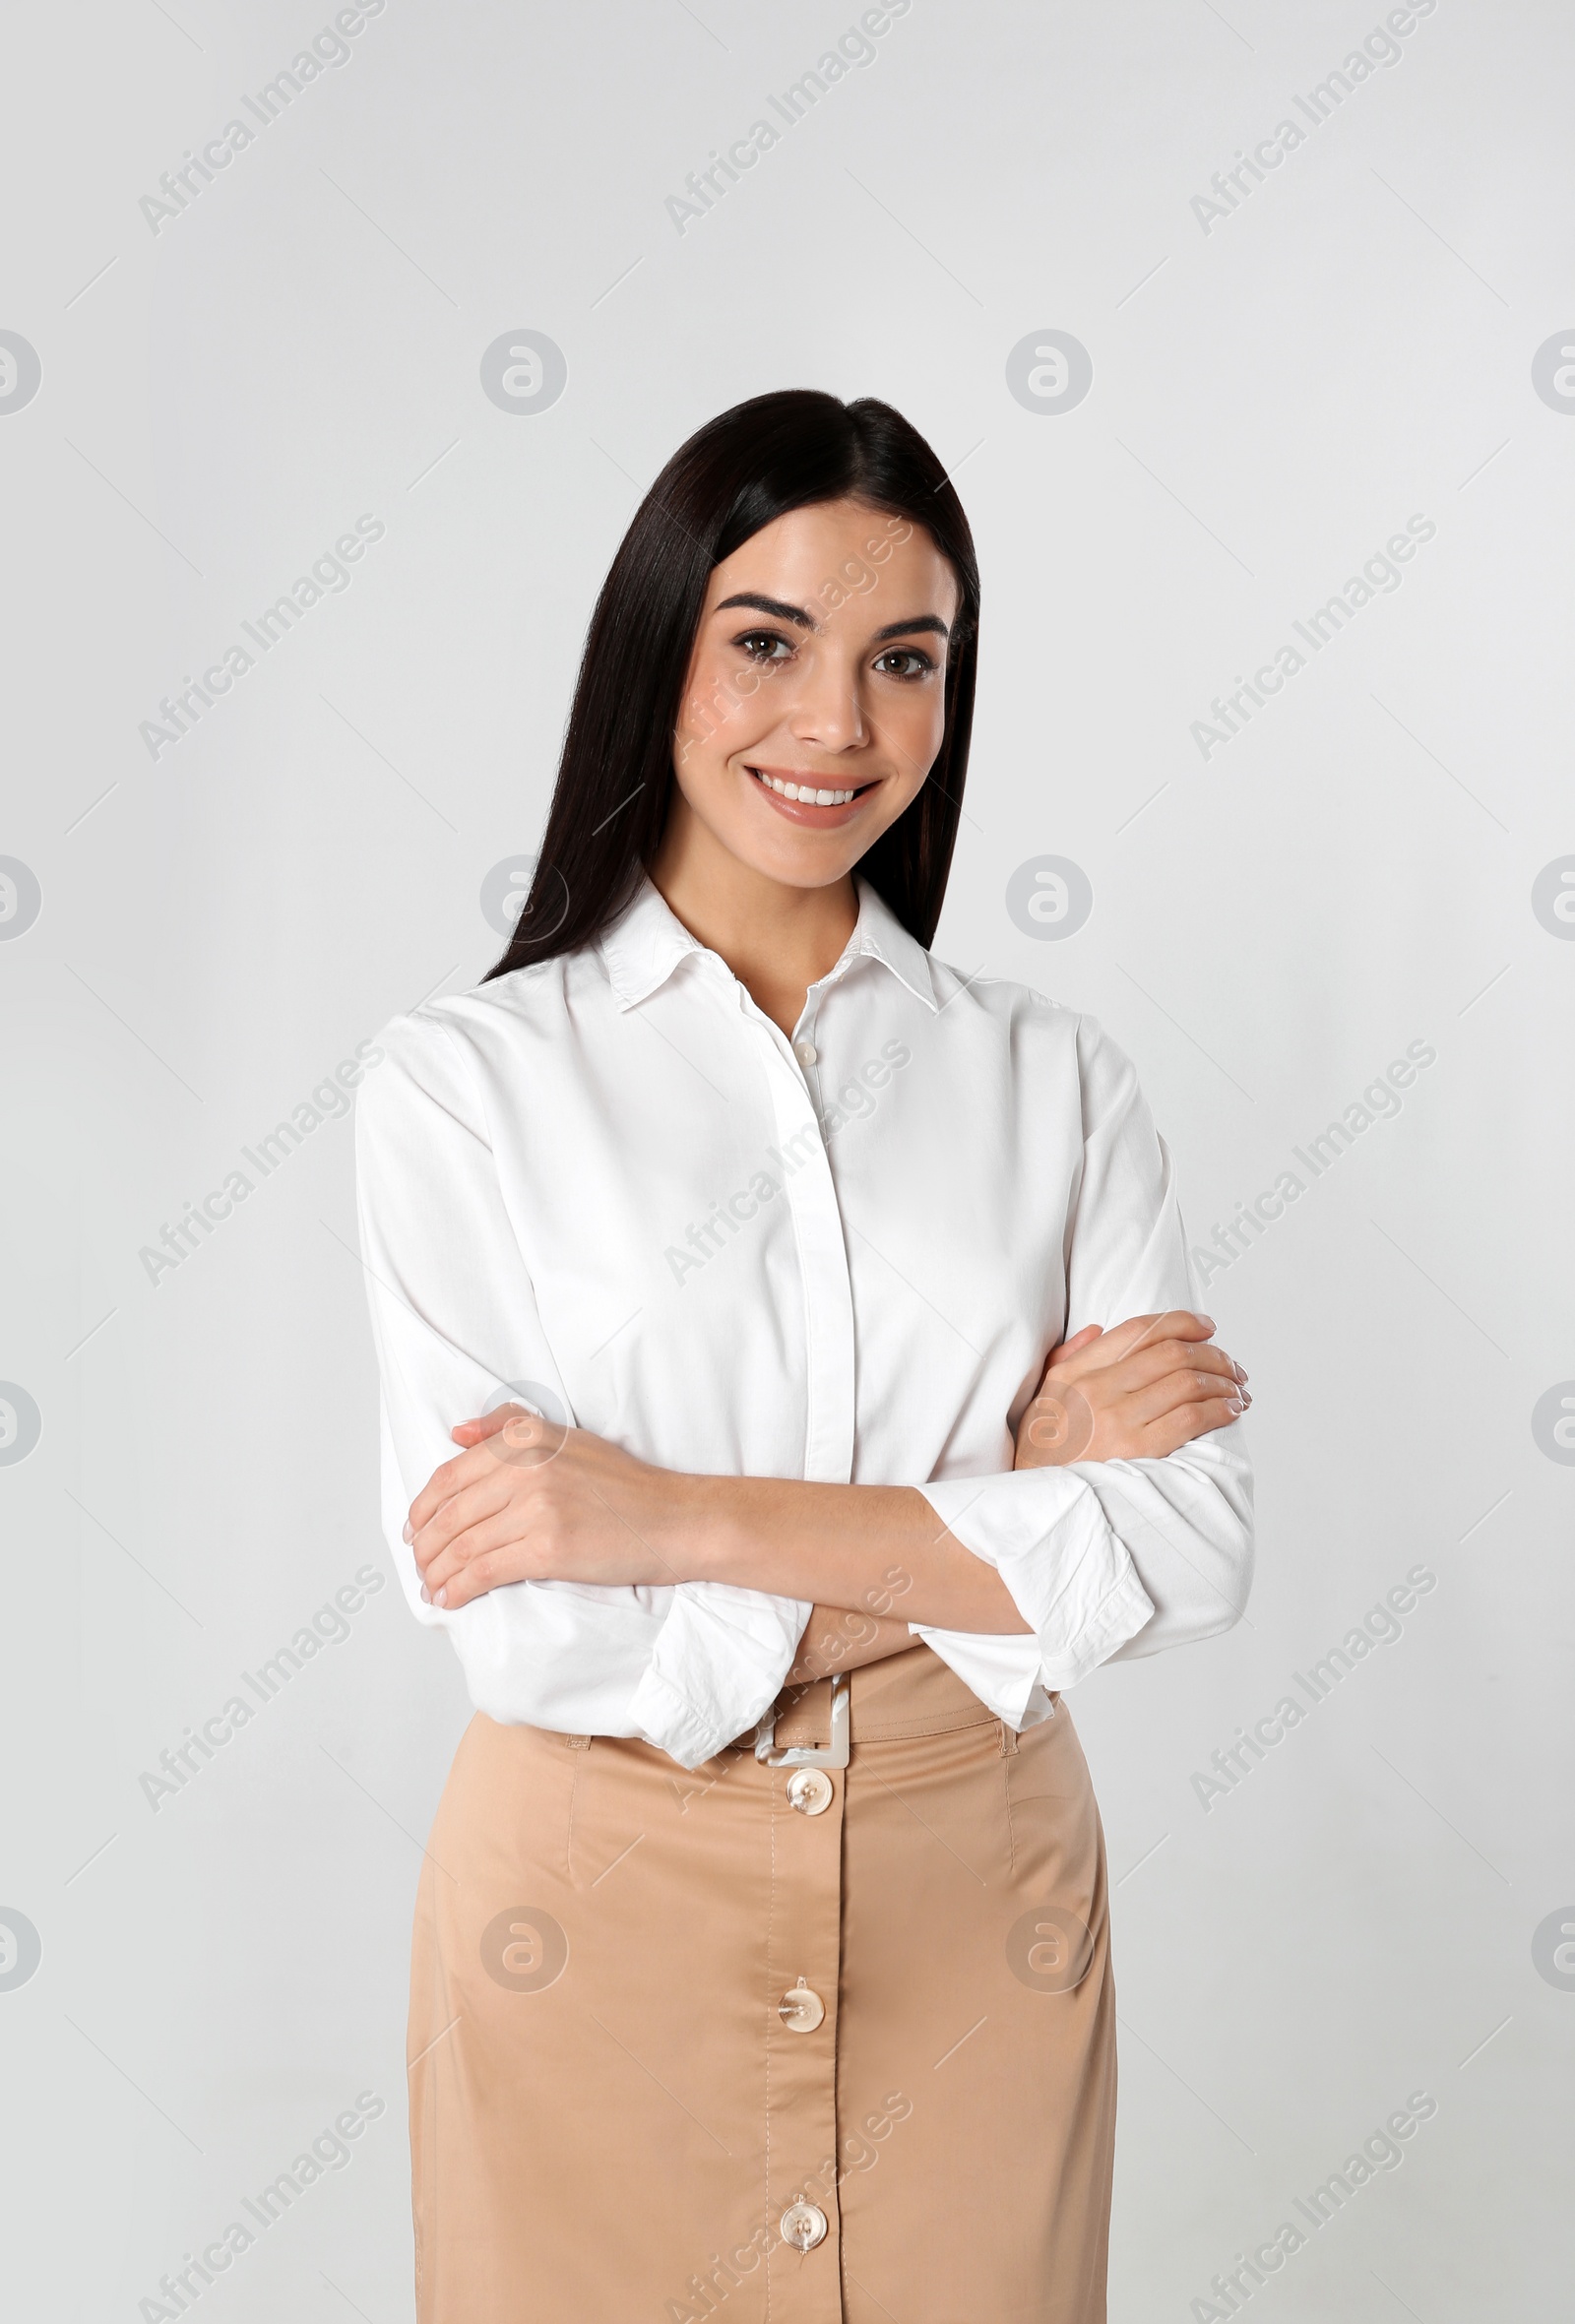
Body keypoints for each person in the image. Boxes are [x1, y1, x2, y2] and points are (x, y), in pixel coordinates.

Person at [354, 388, 1254, 2323]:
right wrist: (1003, 1504)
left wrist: (662, 1514)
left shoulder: (1054, 1082)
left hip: (976, 1902)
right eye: (766, 640)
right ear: (658, 647)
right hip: (589, 1907)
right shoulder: (465, 1085)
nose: (837, 724)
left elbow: (1181, 1548)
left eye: (903, 660)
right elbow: (530, 1630)